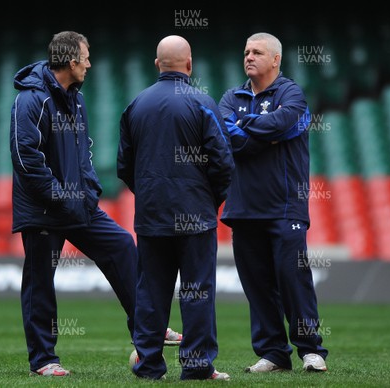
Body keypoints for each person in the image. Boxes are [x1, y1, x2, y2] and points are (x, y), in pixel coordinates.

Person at [9, 31, 181, 377]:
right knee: (41, 280)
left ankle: (148, 329)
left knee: (120, 245)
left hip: (77, 205)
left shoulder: (76, 98)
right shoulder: (30, 101)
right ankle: (44, 360)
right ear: (71, 61)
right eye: (86, 57)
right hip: (44, 209)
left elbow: (83, 150)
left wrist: (87, 190)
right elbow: (26, 158)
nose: (89, 63)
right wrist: (60, 197)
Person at [117, 35, 234, 381]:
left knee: (151, 291)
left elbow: (124, 166)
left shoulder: (136, 105)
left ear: (157, 65)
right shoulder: (202, 102)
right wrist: (208, 199)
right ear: (189, 64)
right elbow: (223, 162)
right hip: (195, 216)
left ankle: (150, 365)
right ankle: (197, 367)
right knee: (197, 292)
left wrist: (150, 194)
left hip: (152, 216)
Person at [217, 32, 329, 373]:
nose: (249, 56)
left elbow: (285, 121)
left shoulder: (291, 93)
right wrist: (263, 134)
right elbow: (223, 134)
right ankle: (273, 353)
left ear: (275, 59)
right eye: (246, 51)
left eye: (257, 52)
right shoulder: (229, 97)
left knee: (293, 279)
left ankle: (311, 350)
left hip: (285, 207)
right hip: (242, 206)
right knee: (257, 284)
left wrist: (244, 128)